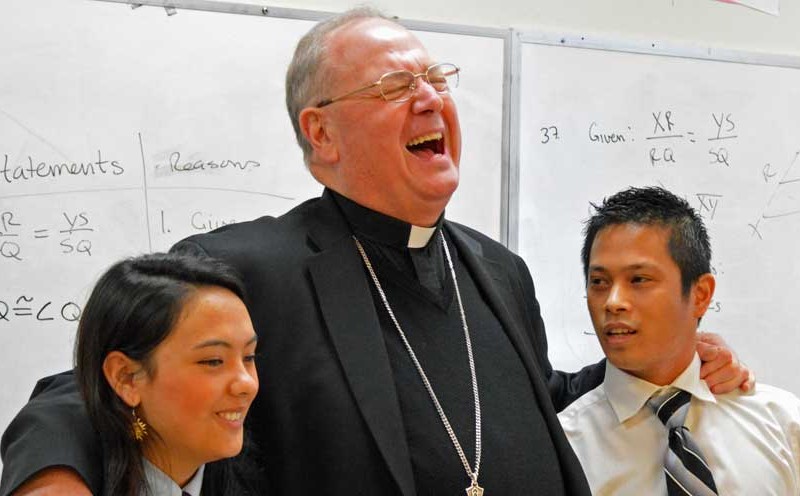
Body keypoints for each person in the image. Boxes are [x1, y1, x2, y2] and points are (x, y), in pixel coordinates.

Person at [1, 8, 752, 496]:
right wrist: (56, 473)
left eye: (436, 78)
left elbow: (510, 396)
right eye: (395, 85)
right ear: (320, 133)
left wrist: (666, 362)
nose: (430, 98)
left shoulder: (498, 271)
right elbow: (88, 385)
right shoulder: (250, 268)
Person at [558, 186, 800, 495]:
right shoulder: (563, 446)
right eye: (599, 282)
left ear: (700, 295)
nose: (613, 302)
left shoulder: (782, 424)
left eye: (638, 280)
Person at [2, 253, 262, 496]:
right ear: (126, 377)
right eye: (213, 361)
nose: (246, 384)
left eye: (249, 357)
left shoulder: (244, 470)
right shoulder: (72, 469)